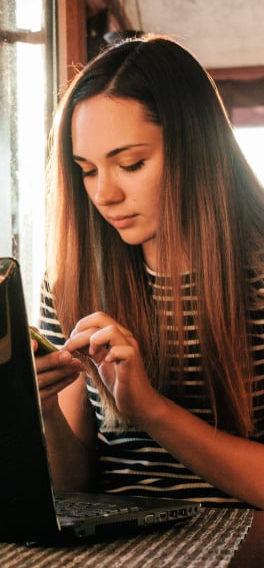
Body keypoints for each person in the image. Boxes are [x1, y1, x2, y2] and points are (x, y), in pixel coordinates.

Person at [35, 34, 264, 509]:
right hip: (115, 558)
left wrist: (150, 410)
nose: (104, 195)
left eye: (130, 164)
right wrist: (43, 411)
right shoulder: (69, 283)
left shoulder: (256, 278)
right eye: (88, 170)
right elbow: (73, 490)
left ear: (197, 150)